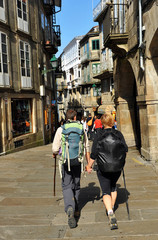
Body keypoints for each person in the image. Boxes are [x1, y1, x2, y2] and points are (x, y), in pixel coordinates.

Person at [86, 113, 128, 230]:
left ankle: (110, 212)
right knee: (113, 187)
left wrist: (89, 166)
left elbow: (94, 154)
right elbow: (125, 150)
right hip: (117, 167)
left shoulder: (99, 135)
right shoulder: (119, 134)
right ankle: (111, 207)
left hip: (103, 168)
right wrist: (121, 162)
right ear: (112, 122)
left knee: (105, 191)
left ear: (102, 123)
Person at [52, 109, 90, 229]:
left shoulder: (61, 129)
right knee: (77, 184)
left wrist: (55, 153)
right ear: (75, 118)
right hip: (78, 161)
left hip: (65, 162)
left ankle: (69, 207)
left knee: (67, 185)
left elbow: (54, 148)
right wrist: (87, 161)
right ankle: (77, 208)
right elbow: (86, 145)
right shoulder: (81, 128)